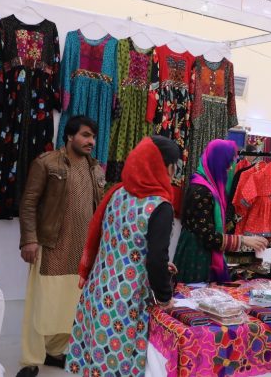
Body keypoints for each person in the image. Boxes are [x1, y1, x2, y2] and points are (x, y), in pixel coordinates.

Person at [67, 136, 181, 376]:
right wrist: (164, 298)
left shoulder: (119, 192)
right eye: (175, 166)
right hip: (124, 300)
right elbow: (155, 259)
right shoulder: (159, 205)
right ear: (165, 166)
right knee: (117, 363)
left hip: (99, 290)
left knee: (95, 358)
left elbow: (124, 241)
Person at [16, 116, 106, 377]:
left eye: (93, 137)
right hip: (51, 245)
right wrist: (29, 239)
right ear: (69, 136)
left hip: (81, 250)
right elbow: (29, 203)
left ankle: (55, 352)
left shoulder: (96, 170)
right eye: (86, 135)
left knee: (70, 304)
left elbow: (98, 211)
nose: (91, 141)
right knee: (40, 304)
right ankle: (31, 360)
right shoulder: (46, 163)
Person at [173, 139, 268, 283]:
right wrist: (243, 240)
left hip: (201, 253)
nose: (230, 169)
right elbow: (207, 236)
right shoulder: (201, 191)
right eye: (227, 164)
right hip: (197, 257)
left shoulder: (207, 185)